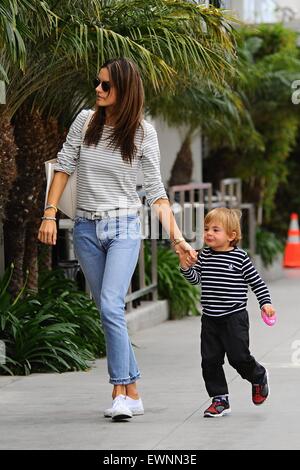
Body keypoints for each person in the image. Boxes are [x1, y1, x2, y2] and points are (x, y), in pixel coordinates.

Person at [38, 57, 197, 421]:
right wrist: (49, 214)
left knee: (111, 304)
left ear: (124, 90)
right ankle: (134, 392)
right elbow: (63, 167)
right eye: (97, 82)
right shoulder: (85, 121)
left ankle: (119, 391)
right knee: (106, 308)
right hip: (86, 229)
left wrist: (178, 239)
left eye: (105, 85)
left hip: (124, 227)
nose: (97, 89)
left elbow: (156, 191)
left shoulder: (144, 133)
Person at [178, 207, 276, 418]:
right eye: (206, 229)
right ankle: (219, 399)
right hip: (210, 319)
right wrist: (185, 266)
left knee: (238, 357)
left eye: (215, 229)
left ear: (232, 236)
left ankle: (258, 376)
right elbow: (196, 279)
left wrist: (265, 303)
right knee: (210, 360)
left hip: (234, 317)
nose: (209, 233)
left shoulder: (241, 258)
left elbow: (257, 283)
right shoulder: (204, 256)